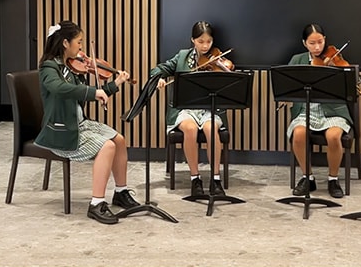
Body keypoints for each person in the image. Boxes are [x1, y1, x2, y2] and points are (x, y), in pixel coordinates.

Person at [34, 20, 140, 225]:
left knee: (118, 140)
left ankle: (120, 192)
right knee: (107, 146)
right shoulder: (49, 67)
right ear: (65, 43)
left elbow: (94, 95)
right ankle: (96, 204)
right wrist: (94, 90)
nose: (82, 48)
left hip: (79, 124)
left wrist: (114, 84)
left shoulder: (72, 67)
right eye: (79, 42)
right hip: (61, 130)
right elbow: (59, 89)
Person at [150, 21, 228, 197]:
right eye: (201, 41)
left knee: (210, 129)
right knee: (190, 129)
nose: (205, 46)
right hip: (185, 109)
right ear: (192, 40)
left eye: (209, 41)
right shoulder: (182, 56)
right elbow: (158, 69)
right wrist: (159, 78)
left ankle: (216, 179)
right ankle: (195, 179)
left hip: (210, 109)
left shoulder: (217, 59)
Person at [287, 23, 353, 199]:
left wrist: (336, 71)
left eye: (320, 42)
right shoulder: (297, 60)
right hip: (306, 110)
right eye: (312, 43)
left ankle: (333, 179)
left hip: (334, 111)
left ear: (325, 40)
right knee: (298, 133)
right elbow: (289, 86)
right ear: (304, 43)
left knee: (333, 136)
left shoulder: (335, 58)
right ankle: (307, 177)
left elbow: (351, 88)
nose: (317, 47)